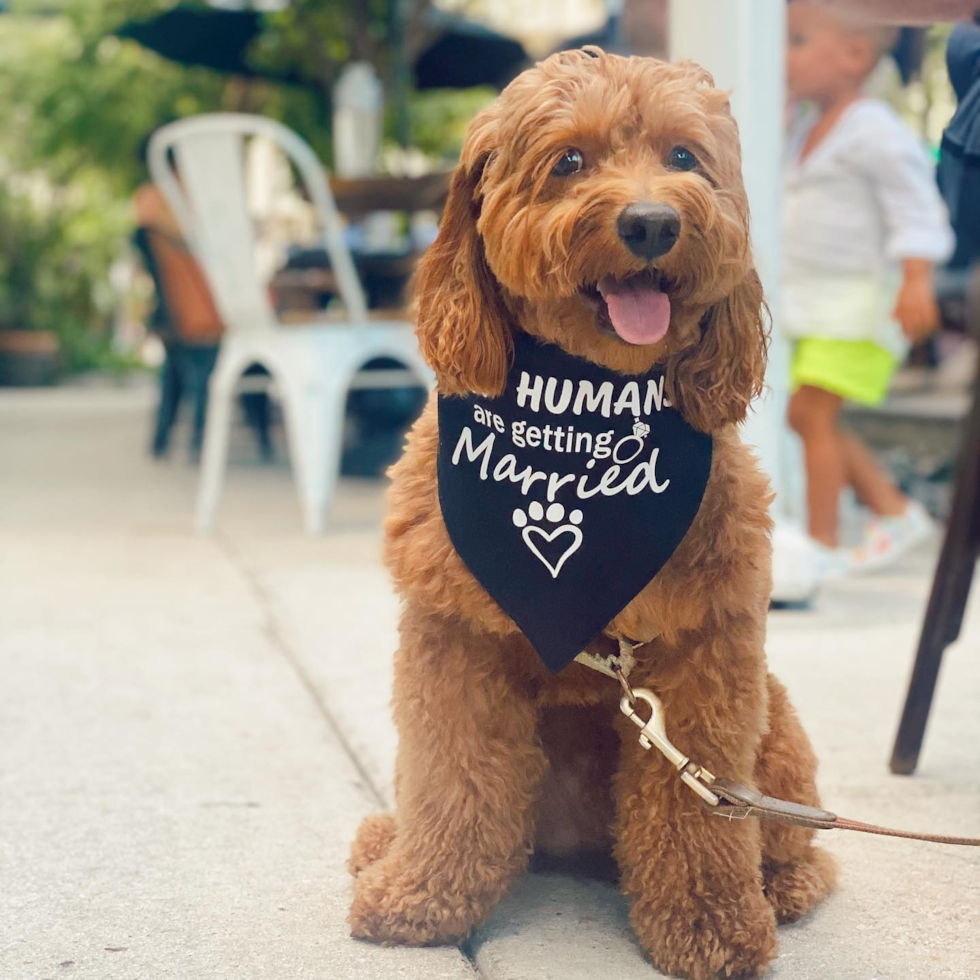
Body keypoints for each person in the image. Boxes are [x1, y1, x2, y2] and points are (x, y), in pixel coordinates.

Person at [783, 2, 955, 573]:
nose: (783, 57)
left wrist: (916, 278)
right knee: (806, 416)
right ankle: (892, 508)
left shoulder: (875, 129)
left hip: (860, 307)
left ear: (855, 55)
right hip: (813, 306)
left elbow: (918, 209)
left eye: (797, 41)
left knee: (811, 415)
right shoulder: (805, 125)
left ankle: (823, 545)